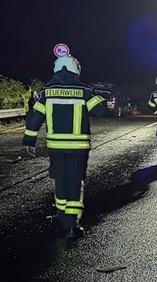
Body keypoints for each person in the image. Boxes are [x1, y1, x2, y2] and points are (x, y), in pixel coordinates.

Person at [22, 54, 106, 239]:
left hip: (56, 148)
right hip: (78, 148)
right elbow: (100, 110)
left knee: (60, 179)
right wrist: (95, 94)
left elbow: (35, 118)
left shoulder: (47, 93)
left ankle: (61, 215)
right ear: (76, 70)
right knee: (75, 180)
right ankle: (73, 224)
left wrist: (29, 140)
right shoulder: (84, 91)